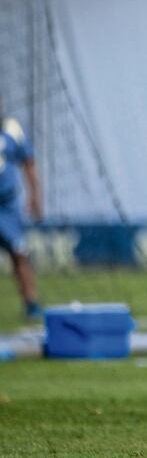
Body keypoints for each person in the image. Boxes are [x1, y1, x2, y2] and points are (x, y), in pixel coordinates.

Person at [0, 103, 42, 320]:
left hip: (7, 206)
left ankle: (31, 302)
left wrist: (35, 196)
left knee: (19, 254)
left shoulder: (11, 129)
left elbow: (29, 163)